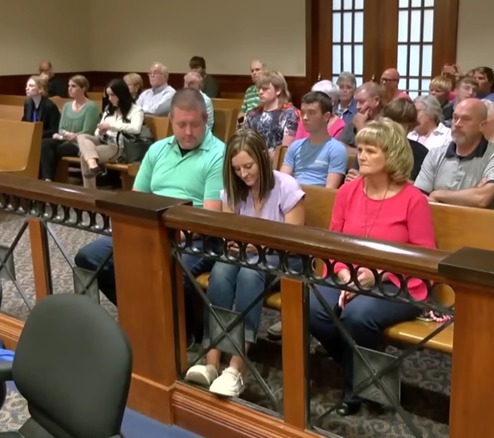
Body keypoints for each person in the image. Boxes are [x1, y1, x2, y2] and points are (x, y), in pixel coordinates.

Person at [308, 118, 436, 416]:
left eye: (370, 151)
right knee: (313, 306)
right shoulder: (347, 192)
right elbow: (334, 242)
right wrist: (343, 272)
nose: (360, 156)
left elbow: (423, 256)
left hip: (400, 282)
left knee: (358, 314)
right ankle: (368, 370)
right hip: (347, 275)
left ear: (391, 155)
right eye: (360, 149)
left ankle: (354, 388)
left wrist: (378, 275)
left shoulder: (413, 199)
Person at [75, 89, 224, 314]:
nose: (188, 132)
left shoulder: (218, 153)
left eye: (194, 124)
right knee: (89, 258)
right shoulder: (157, 150)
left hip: (195, 237)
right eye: (181, 125)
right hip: (152, 228)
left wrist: (167, 235)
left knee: (170, 270)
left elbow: (210, 217)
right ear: (171, 121)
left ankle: (185, 331)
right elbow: (138, 198)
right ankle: (139, 315)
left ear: (205, 120)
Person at [185, 129, 305, 397]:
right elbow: (229, 230)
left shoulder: (286, 186)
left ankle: (237, 368)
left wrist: (261, 246)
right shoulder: (233, 190)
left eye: (248, 166)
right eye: (237, 169)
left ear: (262, 158)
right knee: (222, 269)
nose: (244, 174)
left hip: (284, 258)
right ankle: (212, 362)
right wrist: (233, 242)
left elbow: (296, 240)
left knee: (250, 275)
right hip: (245, 255)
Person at [414, 98, 494, 210]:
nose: (457, 124)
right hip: (438, 223)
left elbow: (482, 198)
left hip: (481, 225)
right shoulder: (435, 154)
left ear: (482, 125)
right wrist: (471, 194)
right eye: (455, 117)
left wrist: (437, 194)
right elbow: (418, 197)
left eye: (466, 119)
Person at [76, 79, 143, 189]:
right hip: (103, 140)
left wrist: (111, 126)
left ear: (121, 94)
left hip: (118, 145)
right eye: (108, 95)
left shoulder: (136, 110)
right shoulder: (109, 109)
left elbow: (136, 128)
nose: (110, 98)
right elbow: (97, 131)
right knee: (81, 136)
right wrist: (101, 131)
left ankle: (90, 194)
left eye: (113, 95)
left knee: (85, 156)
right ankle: (93, 164)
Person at [39, 75, 99, 181]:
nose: (69, 89)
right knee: (44, 144)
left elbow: (87, 131)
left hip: (80, 143)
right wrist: (65, 135)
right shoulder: (67, 106)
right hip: (65, 138)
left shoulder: (91, 106)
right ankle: (47, 179)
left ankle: (50, 178)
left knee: (54, 150)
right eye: (69, 86)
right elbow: (61, 128)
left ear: (83, 88)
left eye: (74, 86)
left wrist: (69, 136)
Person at [22, 75, 60, 139]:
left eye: (31, 86)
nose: (27, 88)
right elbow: (25, 121)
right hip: (31, 136)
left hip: (45, 138)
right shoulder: (27, 103)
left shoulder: (49, 106)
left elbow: (55, 128)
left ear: (40, 89)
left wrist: (37, 134)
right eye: (27, 86)